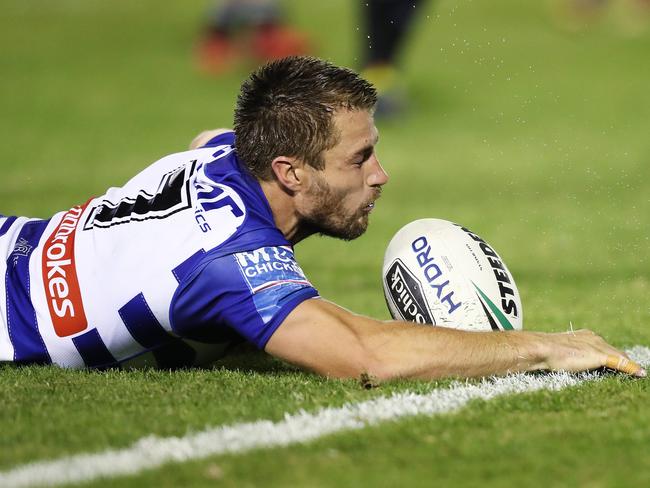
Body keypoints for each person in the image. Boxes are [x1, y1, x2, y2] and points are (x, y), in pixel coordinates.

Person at [0, 56, 644, 379]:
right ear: (289, 172)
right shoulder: (229, 262)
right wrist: (549, 346)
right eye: (358, 158)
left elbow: (206, 139)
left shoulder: (231, 152)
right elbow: (363, 354)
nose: (380, 176)